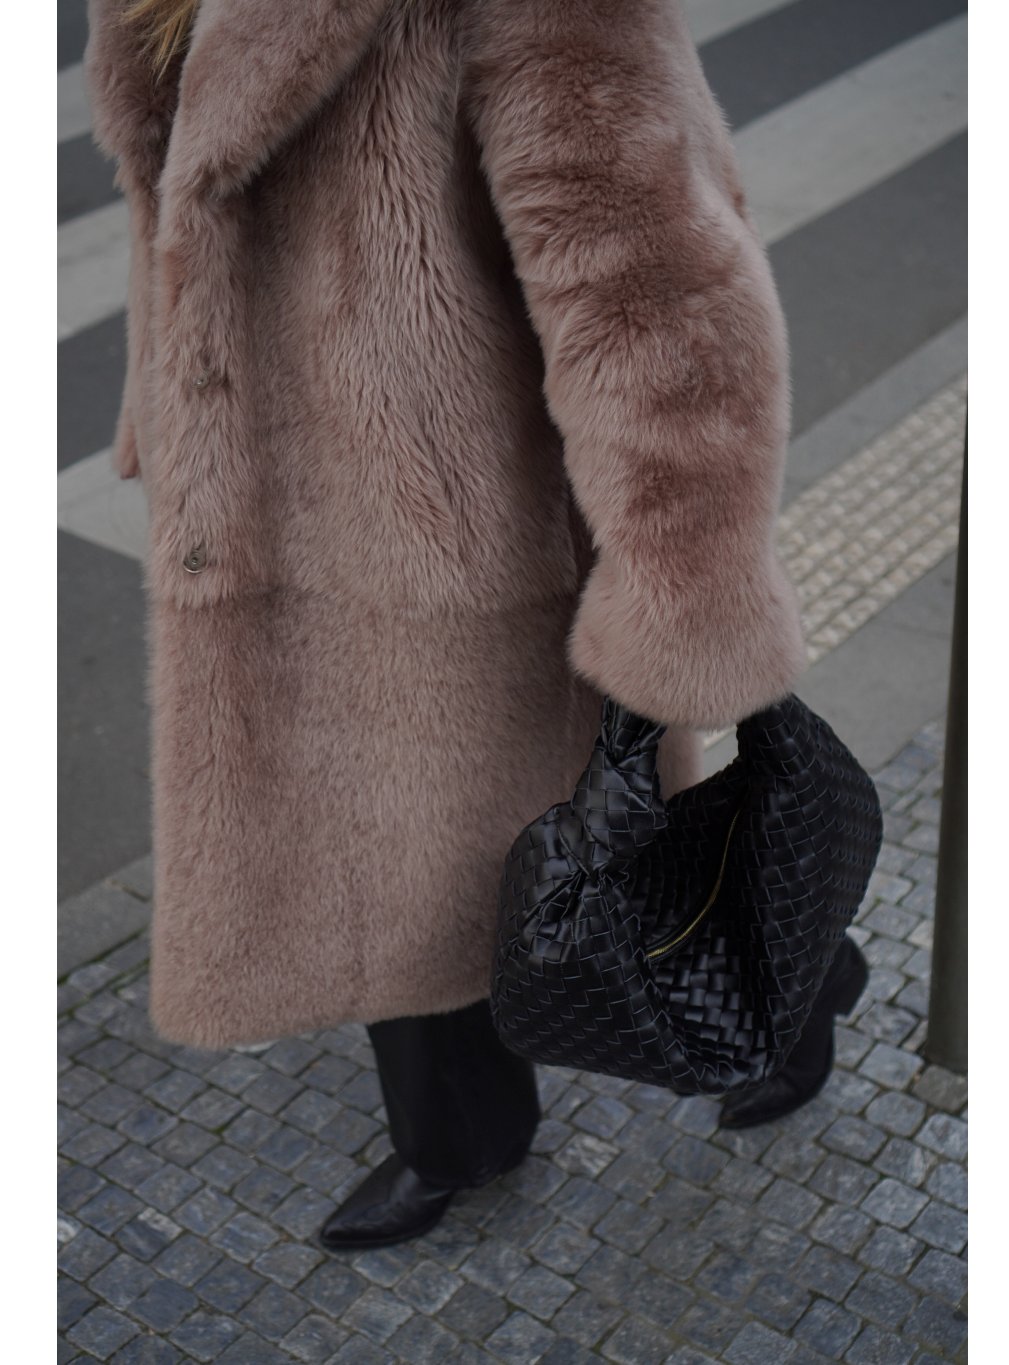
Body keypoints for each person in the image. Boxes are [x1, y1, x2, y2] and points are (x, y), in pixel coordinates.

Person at [84, 0, 867, 1252]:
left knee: (565, 857)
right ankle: (460, 1140)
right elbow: (176, 202)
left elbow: (653, 289)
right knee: (394, 886)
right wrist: (164, 402)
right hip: (277, 520)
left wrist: (683, 585)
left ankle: (792, 988)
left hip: (468, 542)